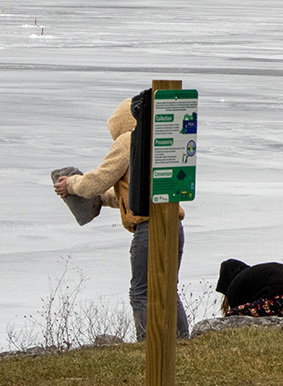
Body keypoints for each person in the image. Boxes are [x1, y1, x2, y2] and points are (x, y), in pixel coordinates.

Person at [53, 93, 190, 341]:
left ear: (122, 123)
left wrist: (71, 185)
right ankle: (181, 341)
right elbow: (133, 196)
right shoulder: (160, 141)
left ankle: (146, 344)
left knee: (141, 292)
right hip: (173, 224)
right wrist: (102, 200)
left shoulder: (128, 140)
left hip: (148, 228)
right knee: (168, 290)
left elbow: (95, 182)